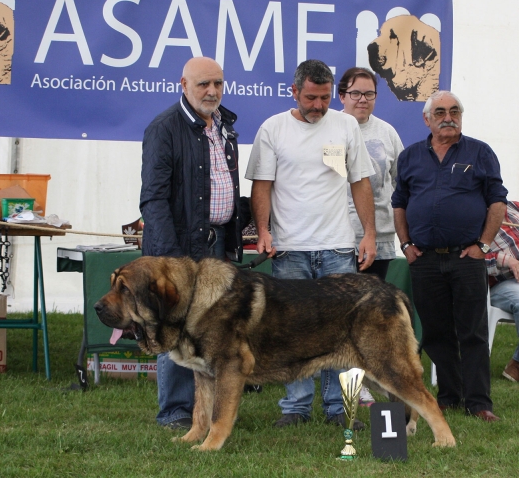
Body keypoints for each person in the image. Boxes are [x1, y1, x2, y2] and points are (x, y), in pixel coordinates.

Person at [245, 59, 376, 430]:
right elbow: (262, 185)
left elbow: (360, 182)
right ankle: (295, 406)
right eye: (311, 98)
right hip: (290, 248)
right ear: (294, 92)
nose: (319, 105)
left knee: (344, 332)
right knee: (291, 331)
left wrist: (368, 233)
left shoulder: (347, 125)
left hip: (337, 246)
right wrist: (263, 231)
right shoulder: (273, 128)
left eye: (324, 98)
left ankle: (340, 408)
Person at [140, 56, 243, 430]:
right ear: (182, 84)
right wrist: (169, 261)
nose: (212, 91)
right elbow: (153, 198)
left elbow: (224, 187)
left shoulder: (225, 126)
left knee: (212, 328)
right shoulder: (164, 128)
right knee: (173, 327)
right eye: (203, 84)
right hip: (178, 251)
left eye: (217, 83)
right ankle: (175, 411)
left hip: (216, 247)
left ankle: (209, 411)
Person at [392, 90, 507, 422]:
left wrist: (483, 245)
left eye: (454, 111)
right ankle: (449, 395)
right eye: (440, 111)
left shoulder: (480, 152)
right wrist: (405, 245)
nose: (448, 117)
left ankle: (479, 402)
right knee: (436, 332)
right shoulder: (411, 156)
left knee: (472, 331)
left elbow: (496, 202)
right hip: (425, 259)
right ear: (426, 119)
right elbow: (399, 202)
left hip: (466, 257)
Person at [338, 67, 404, 406]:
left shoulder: (388, 133)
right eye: (355, 94)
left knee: (369, 316)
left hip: (379, 236)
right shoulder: (332, 129)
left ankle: (365, 380)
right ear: (342, 96)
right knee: (341, 316)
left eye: (369, 94)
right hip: (337, 236)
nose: (363, 100)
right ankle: (344, 386)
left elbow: (400, 183)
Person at [485, 201, 519, 383]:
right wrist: (507, 260)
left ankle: (516, 364)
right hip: (500, 284)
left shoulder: (513, 207)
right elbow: (472, 260)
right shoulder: (473, 219)